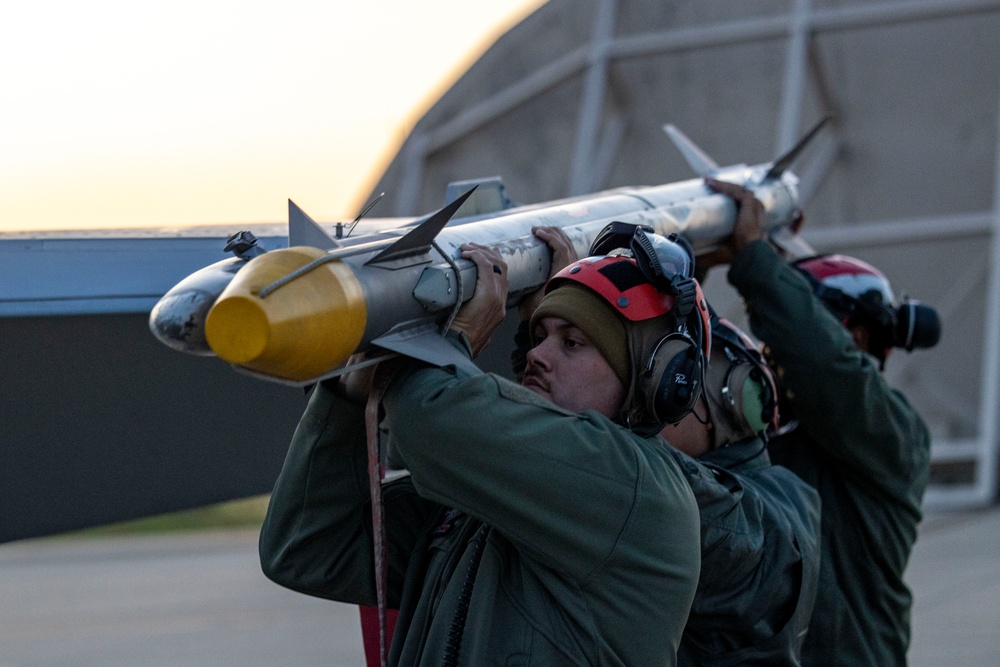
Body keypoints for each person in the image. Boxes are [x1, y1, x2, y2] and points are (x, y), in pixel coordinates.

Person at [258, 238, 704, 665]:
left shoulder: (637, 490)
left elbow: (426, 416)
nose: (537, 355)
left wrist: (453, 339)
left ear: (653, 378)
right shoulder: (486, 499)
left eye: (572, 342)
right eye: (540, 334)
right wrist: (346, 397)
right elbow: (305, 547)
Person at [518, 223, 822, 665]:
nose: (648, 397)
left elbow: (620, 475)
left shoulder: (749, 522)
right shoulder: (781, 498)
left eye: (671, 379)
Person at [701, 177, 941, 667]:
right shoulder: (773, 430)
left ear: (853, 335)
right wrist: (693, 275)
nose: (770, 353)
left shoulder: (894, 434)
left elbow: (822, 364)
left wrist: (755, 260)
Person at [662, 316, 820, 666]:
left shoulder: (733, 513)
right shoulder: (783, 488)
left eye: (673, 383)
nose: (647, 402)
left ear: (730, 400)